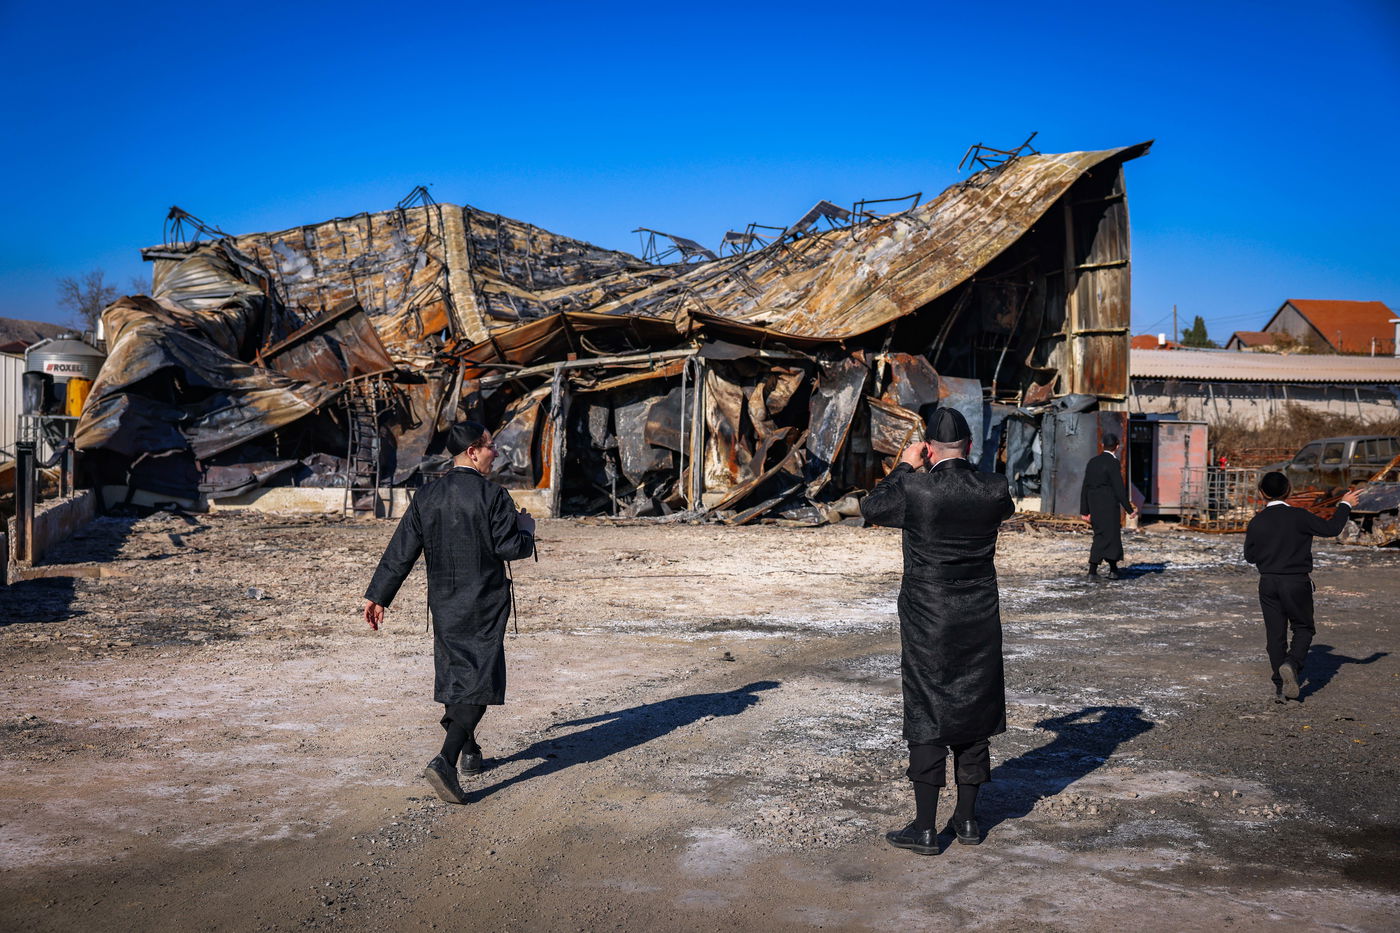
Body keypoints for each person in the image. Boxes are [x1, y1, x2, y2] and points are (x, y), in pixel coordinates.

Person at [861, 408, 1016, 856]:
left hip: (928, 616)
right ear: (969, 446)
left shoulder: (914, 486)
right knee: (974, 707)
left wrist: (906, 464)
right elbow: (999, 507)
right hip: (979, 615)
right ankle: (967, 820)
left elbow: (872, 507)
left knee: (928, 709)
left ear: (929, 448)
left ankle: (926, 828)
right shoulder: (994, 488)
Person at [362, 421, 537, 804]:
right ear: (472, 452)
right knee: (478, 680)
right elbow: (510, 548)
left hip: (444, 603)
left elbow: (401, 550)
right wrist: (526, 530)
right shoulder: (494, 496)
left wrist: (378, 596)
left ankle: (471, 752)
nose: (496, 453)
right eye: (491, 446)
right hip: (485, 603)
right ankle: (446, 759)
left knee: (457, 673)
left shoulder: (426, 496)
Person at [1243, 471, 1359, 703]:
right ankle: (1292, 664)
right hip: (1296, 581)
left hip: (1268, 582)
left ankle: (1280, 686)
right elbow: (1332, 529)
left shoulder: (1257, 521)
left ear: (1261, 493)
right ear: (1289, 490)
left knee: (1275, 635)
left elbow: (1249, 556)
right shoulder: (1299, 516)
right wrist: (1345, 503)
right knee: (1303, 628)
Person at [1079, 432, 1135, 578]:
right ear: (1116, 447)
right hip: (1109, 505)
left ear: (1102, 445)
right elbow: (1118, 488)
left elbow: (1085, 486)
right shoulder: (1113, 463)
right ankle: (1112, 571)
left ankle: (1095, 571)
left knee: (1100, 535)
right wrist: (1129, 509)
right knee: (1112, 536)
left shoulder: (1092, 462)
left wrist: (1084, 511)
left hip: (1094, 505)